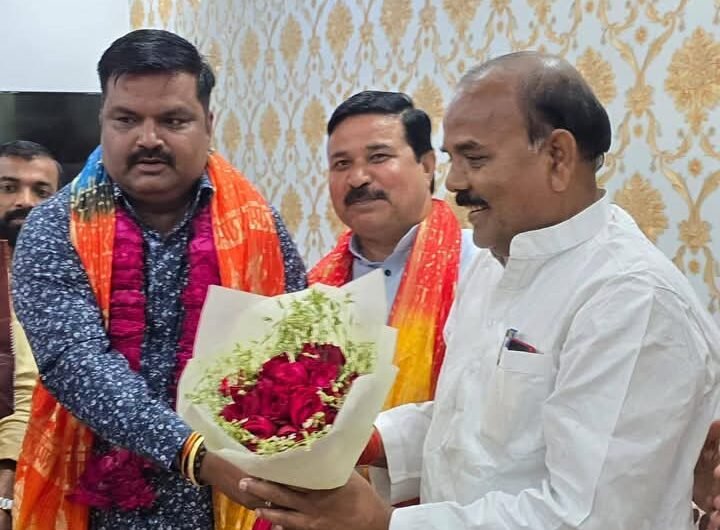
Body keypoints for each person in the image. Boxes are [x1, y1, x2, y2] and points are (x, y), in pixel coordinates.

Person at [241, 51, 720, 530]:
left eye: (474, 158)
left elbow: (588, 517)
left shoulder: (630, 299)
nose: (452, 182)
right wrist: (370, 440)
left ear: (557, 157)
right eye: (453, 159)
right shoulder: (494, 264)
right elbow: (463, 424)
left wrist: (384, 524)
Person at [11, 30, 305, 530]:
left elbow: (293, 344)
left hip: (240, 501)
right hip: (95, 500)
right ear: (103, 121)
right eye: (126, 119)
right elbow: (76, 364)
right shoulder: (54, 227)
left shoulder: (258, 225)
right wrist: (196, 455)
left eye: (173, 120)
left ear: (208, 124)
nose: (148, 139)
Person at [309, 90, 477, 409]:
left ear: (426, 166)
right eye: (342, 164)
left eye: (378, 157)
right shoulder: (316, 288)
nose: (357, 179)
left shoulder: (477, 267)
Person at [0, 140, 61, 530]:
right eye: (8, 187)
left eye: (42, 191)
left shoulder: (75, 277)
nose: (25, 201)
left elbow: (32, 386)